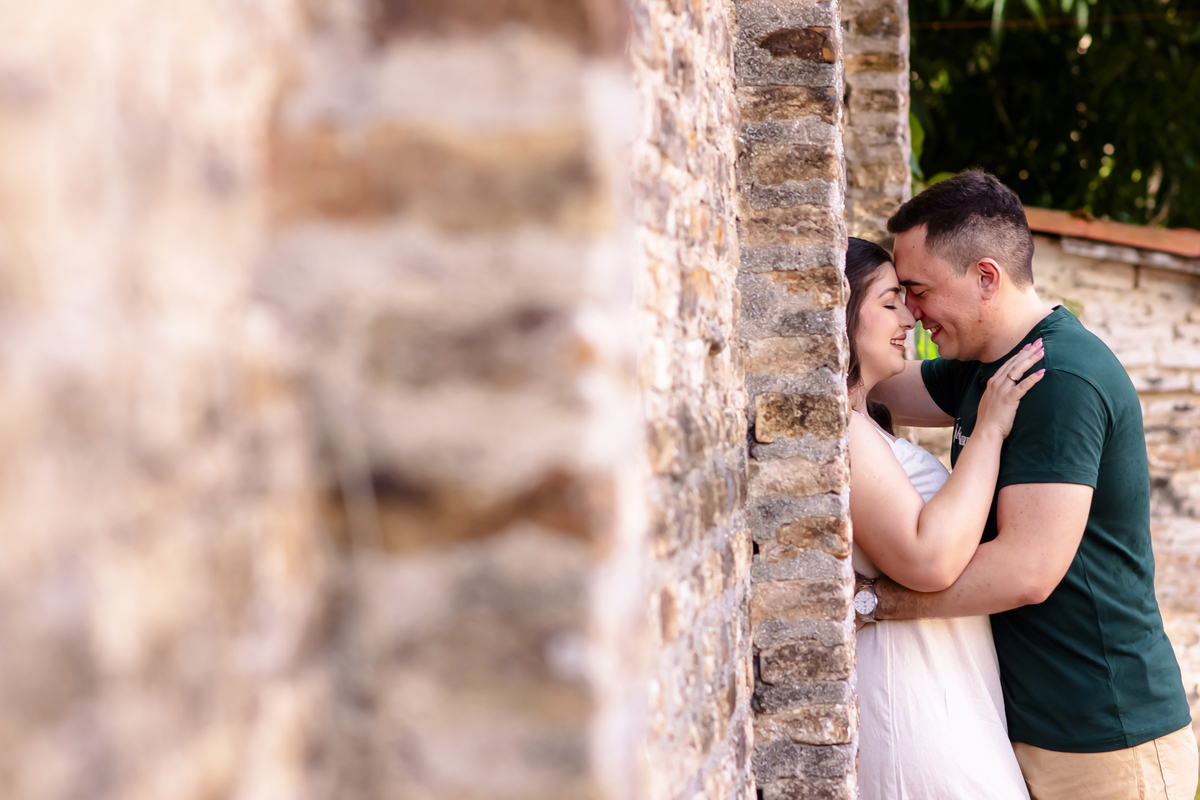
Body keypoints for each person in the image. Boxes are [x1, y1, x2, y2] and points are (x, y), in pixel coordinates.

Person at [862, 170, 1198, 800]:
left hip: (1108, 739)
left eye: (918, 290)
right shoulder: (984, 370)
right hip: (1044, 730)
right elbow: (872, 384)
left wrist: (877, 604)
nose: (912, 310)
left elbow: (1026, 570)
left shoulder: (1059, 378)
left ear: (986, 277)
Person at [845, 236, 1043, 799]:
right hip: (918, 717)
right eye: (890, 302)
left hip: (949, 700)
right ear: (838, 312)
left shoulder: (869, 419)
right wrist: (990, 429)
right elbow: (927, 558)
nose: (910, 315)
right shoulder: (845, 430)